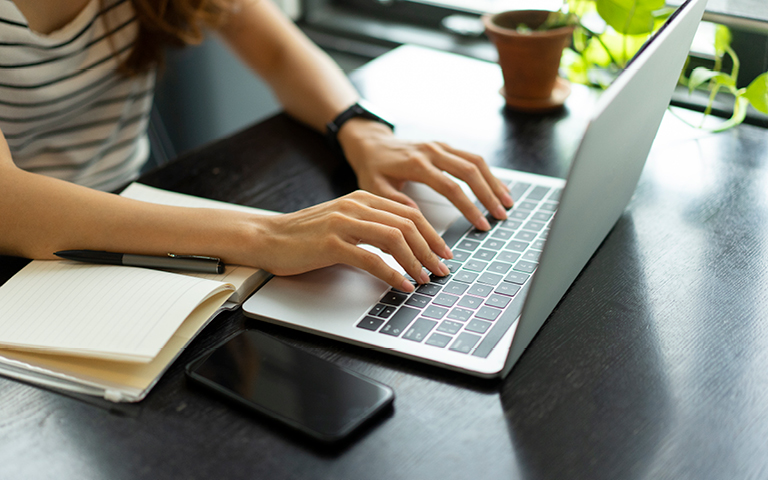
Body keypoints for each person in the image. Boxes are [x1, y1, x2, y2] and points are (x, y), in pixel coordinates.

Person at [0, 0, 514, 293]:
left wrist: (363, 131)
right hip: (23, 250)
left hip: (128, 207)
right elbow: (9, 204)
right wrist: (265, 233)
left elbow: (273, 45)